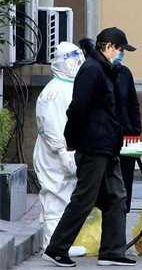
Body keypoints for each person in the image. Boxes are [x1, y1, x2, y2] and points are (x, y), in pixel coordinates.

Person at [43, 27, 137, 267]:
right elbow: (77, 109)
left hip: (108, 146)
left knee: (117, 196)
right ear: (108, 46)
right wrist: (73, 140)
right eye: (120, 49)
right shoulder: (92, 70)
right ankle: (56, 249)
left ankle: (112, 251)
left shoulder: (105, 70)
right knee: (84, 199)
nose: (121, 54)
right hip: (94, 146)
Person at [33, 42, 86, 257]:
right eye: (74, 60)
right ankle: (51, 244)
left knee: (63, 195)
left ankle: (59, 244)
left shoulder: (67, 87)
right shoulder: (55, 91)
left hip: (64, 150)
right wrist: (62, 151)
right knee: (54, 196)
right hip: (54, 152)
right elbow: (51, 125)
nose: (78, 64)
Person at [79, 38, 142, 214]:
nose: (121, 54)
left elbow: (133, 104)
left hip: (125, 137)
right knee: (101, 185)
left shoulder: (125, 73)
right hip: (103, 138)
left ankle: (121, 215)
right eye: (120, 49)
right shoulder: (95, 72)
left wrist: (135, 131)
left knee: (123, 183)